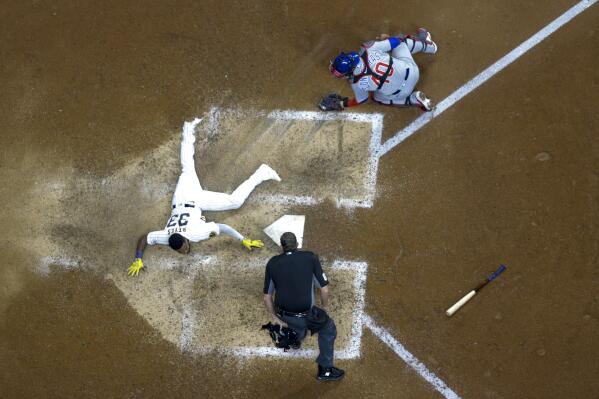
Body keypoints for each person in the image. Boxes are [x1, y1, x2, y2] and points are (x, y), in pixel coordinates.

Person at [127, 118, 281, 276]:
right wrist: (138, 258)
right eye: (181, 251)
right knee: (186, 167)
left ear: (186, 239)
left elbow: (223, 228)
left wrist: (243, 240)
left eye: (184, 248)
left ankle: (263, 173)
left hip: (195, 200)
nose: (185, 251)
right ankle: (188, 127)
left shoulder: (196, 234)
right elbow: (145, 238)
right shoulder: (165, 237)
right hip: (179, 198)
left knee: (235, 202)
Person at [263, 232, 345, 381]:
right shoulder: (310, 257)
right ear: (297, 244)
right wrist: (324, 309)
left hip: (285, 316)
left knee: (296, 328)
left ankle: (295, 338)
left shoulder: (272, 263)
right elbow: (324, 289)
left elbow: (267, 296)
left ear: (282, 246)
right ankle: (325, 370)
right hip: (308, 315)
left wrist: (274, 317)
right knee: (328, 328)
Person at [321, 28, 438, 112]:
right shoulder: (369, 48)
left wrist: (342, 103)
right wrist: (387, 39)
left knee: (377, 98)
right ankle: (429, 46)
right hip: (412, 71)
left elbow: (361, 100)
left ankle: (413, 99)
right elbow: (397, 40)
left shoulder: (357, 83)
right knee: (402, 43)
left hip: (402, 92)